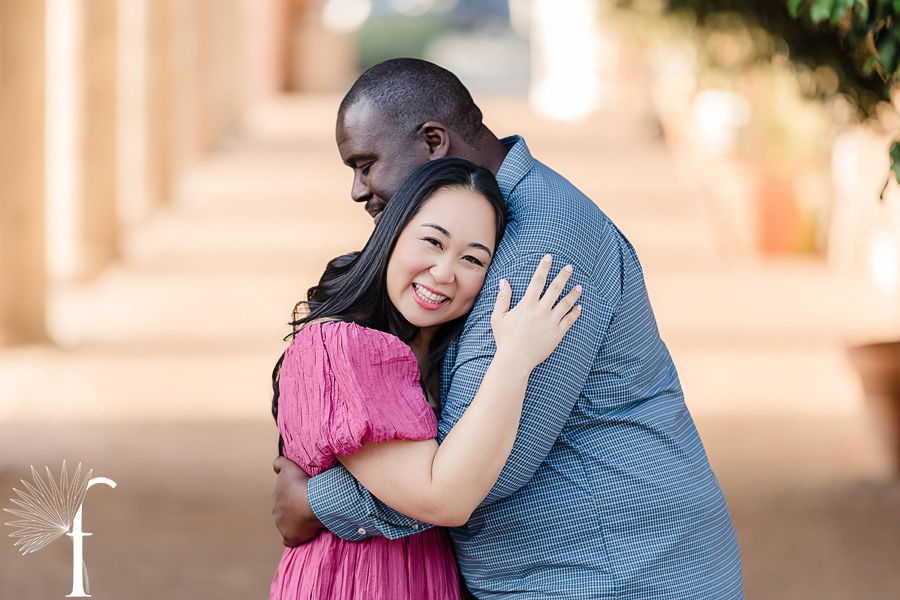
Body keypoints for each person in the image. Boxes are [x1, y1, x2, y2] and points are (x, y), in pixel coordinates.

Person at [272, 58, 745, 599]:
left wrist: (312, 502)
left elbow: (476, 469)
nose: (359, 190)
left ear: (432, 141)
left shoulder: (540, 243)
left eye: (365, 162)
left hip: (615, 572)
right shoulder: (496, 217)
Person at [270, 157, 582, 599]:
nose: (444, 273)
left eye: (473, 258)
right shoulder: (343, 346)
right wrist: (516, 357)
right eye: (433, 242)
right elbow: (443, 497)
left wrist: (311, 501)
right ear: (393, 234)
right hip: (356, 584)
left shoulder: (441, 358)